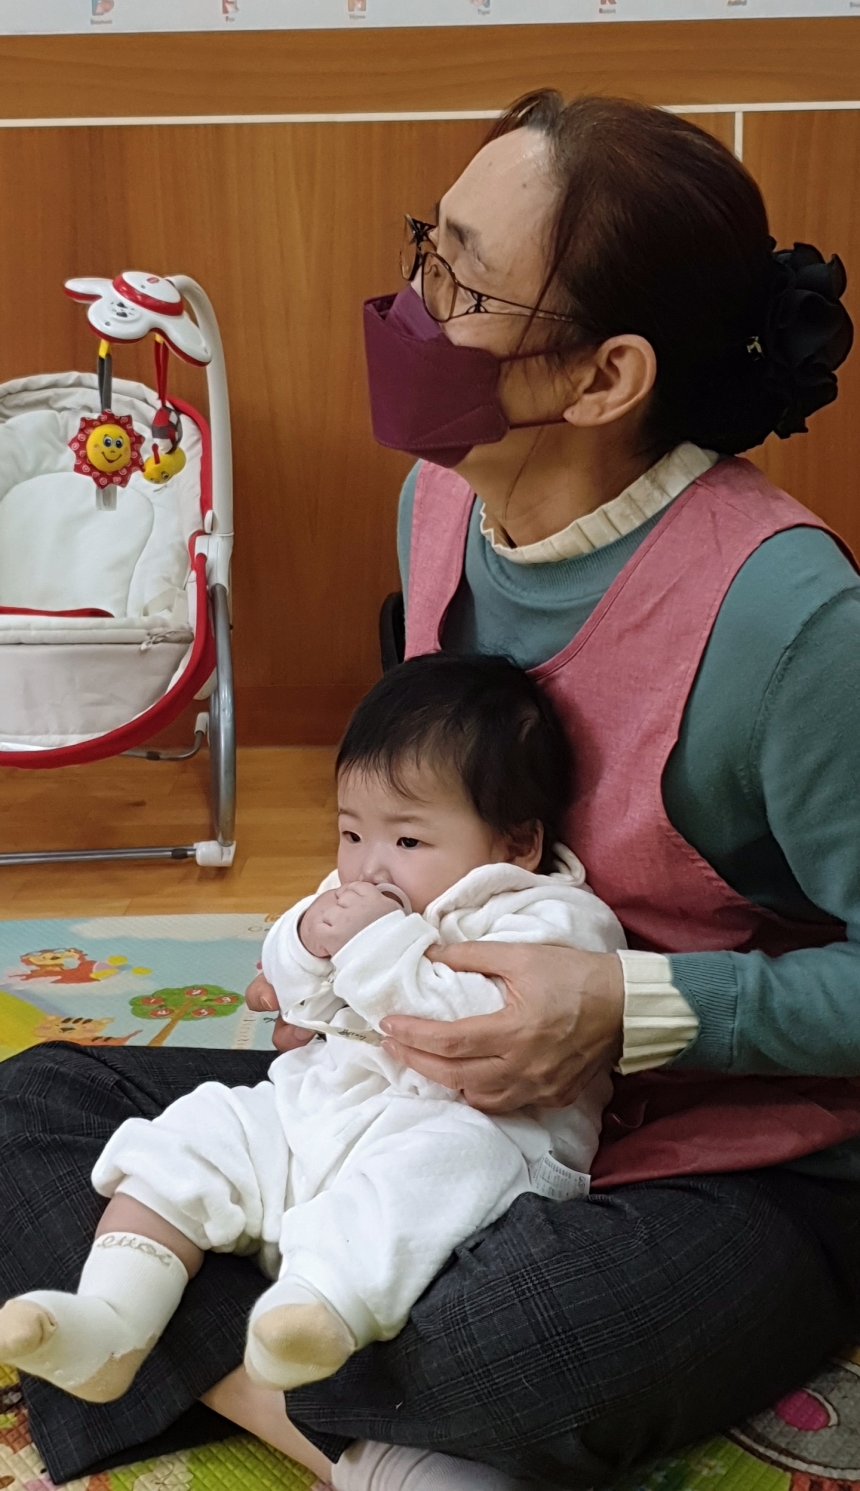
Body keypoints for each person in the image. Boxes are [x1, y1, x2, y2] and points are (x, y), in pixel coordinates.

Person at [2, 89, 860, 1491]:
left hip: (719, 1159)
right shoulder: (442, 500)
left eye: (461, 285)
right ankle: (377, 1445)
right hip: (417, 1097)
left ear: (604, 378)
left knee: (506, 1341)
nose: (409, 310)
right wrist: (348, 928)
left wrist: (627, 1007)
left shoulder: (790, 621)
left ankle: (291, 1374)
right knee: (35, 1108)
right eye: (426, 248)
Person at [0, 655, 620, 1411]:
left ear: (517, 843)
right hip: (324, 1105)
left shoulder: (554, 919)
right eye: (351, 832)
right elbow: (300, 996)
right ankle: (114, 1317)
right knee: (199, 1128)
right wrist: (301, 942)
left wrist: (373, 942)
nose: (368, 866)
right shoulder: (361, 895)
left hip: (477, 1134)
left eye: (408, 842)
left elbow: (467, 1029)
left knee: (435, 1170)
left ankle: (313, 1312)